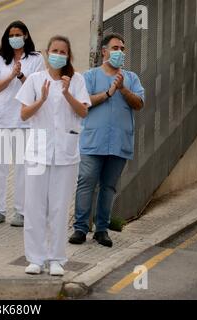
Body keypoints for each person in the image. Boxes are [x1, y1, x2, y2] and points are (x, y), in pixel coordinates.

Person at [16, 36, 91, 276]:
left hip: (66, 154)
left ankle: (57, 258)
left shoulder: (77, 80)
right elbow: (24, 114)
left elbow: (83, 111)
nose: (58, 54)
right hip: (38, 152)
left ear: (68, 56)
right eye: (55, 50)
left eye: (63, 51)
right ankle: (36, 258)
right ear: (47, 52)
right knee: (35, 206)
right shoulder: (36, 80)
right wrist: (42, 100)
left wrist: (67, 92)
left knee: (59, 208)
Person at [69, 33, 145, 248]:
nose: (119, 52)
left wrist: (122, 89)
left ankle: (102, 230)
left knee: (108, 187)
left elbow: (139, 103)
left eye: (122, 48)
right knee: (86, 183)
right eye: (115, 48)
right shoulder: (90, 76)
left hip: (119, 143)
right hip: (94, 142)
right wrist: (109, 93)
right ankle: (80, 228)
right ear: (104, 51)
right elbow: (83, 102)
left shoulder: (131, 78)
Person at [0, 21, 45, 227]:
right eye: (11, 34)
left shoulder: (36, 59)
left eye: (18, 34)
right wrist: (11, 74)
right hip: (1, 117)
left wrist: (20, 75)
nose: (14, 38)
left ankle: (21, 211)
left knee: (22, 167)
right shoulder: (0, 57)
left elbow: (35, 87)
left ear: (26, 35)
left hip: (23, 118)